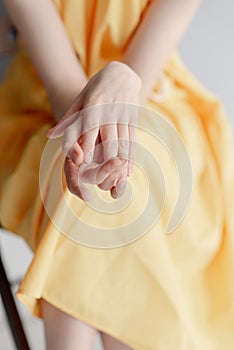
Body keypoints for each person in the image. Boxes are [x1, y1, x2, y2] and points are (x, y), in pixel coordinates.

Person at [0, 0, 234, 349]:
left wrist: (124, 81)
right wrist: (91, 134)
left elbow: (139, 80)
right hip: (48, 111)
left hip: (154, 96)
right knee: (91, 189)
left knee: (112, 188)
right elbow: (61, 82)